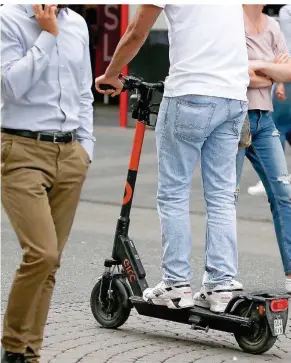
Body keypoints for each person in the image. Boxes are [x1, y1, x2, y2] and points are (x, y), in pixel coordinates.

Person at [95, 4, 249, 313]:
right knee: (220, 195)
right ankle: (221, 285)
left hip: (191, 92)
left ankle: (176, 284)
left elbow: (136, 31)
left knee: (174, 192)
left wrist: (112, 74)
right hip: (233, 95)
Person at [1, 4, 94, 363]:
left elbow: (84, 91)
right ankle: (12, 348)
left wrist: (86, 148)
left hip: (70, 154)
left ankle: (30, 352)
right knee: (42, 253)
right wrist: (48, 34)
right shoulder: (8, 18)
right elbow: (10, 87)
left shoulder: (79, 24)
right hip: (22, 149)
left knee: (51, 264)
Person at [236, 5, 291, 293]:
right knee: (225, 199)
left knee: (284, 194)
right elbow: (234, 74)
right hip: (234, 118)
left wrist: (258, 67)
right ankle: (220, 276)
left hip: (264, 119)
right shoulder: (231, 20)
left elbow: (289, 71)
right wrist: (272, 69)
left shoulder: (271, 25)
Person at [248, 5, 291, 196]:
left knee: (278, 127)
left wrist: (278, 79)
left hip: (285, 81)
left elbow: (285, 54)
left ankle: (277, 178)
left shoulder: (286, 12)